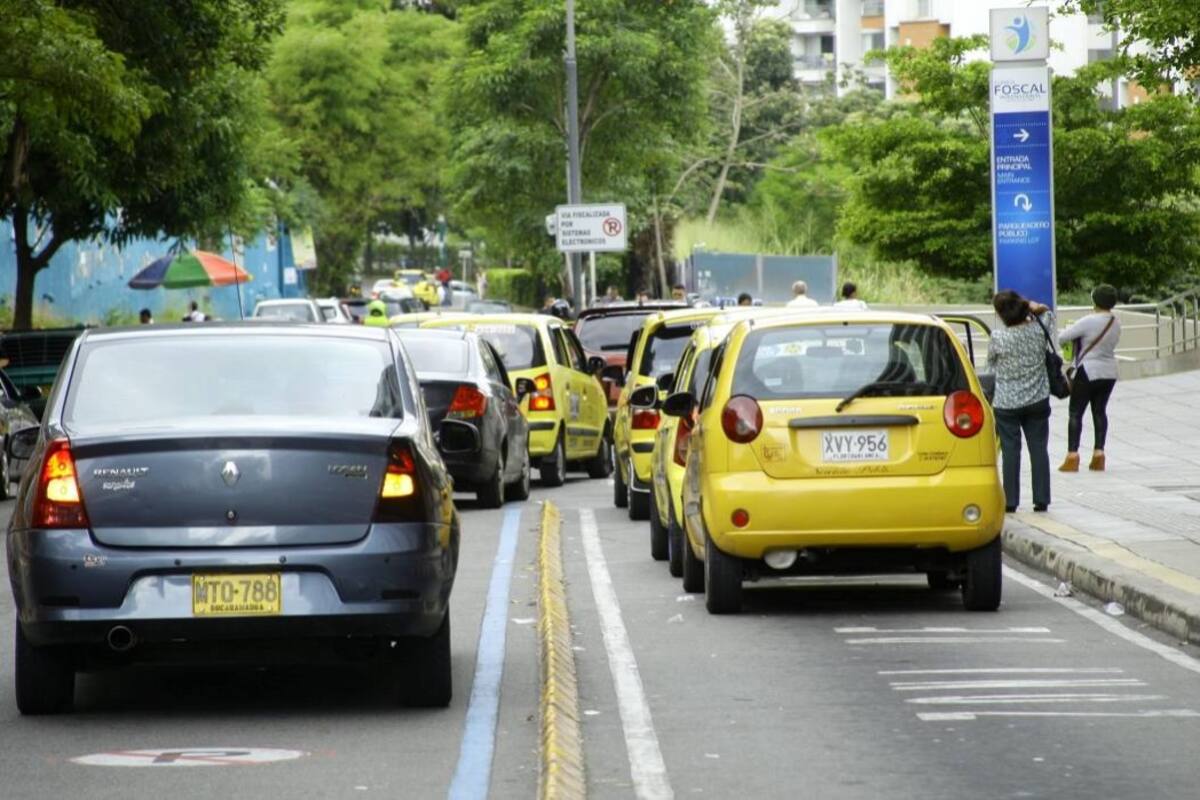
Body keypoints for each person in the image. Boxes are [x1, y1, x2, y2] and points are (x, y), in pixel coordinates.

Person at [988, 290, 1056, 513]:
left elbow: (991, 364)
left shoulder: (998, 338)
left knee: (1010, 451)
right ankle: (1041, 499)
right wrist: (1035, 306)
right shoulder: (1039, 330)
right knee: (1038, 448)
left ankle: (1010, 501)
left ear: (1001, 315)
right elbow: (1048, 313)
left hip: (1006, 403)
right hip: (1037, 399)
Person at [1058, 284, 1122, 473]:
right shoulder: (1116, 322)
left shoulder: (1089, 321)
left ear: (1094, 300)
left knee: (1076, 412)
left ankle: (1072, 456)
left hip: (1088, 370)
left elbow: (1063, 338)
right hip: (1109, 371)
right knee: (1099, 411)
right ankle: (1099, 454)